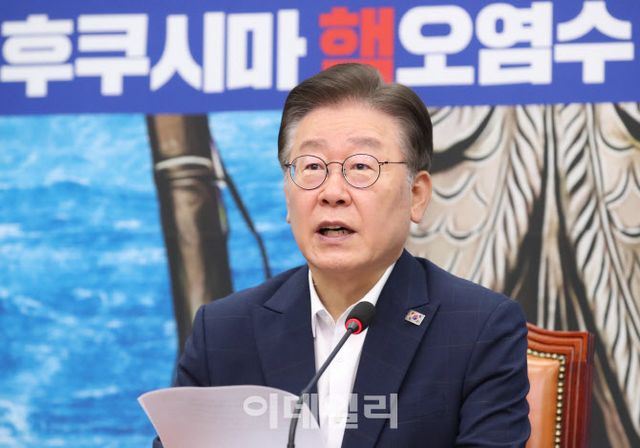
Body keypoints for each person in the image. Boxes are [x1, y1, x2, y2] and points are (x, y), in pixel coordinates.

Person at [153, 63, 530, 447]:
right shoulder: (223, 332)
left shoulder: (478, 329)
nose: (332, 192)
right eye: (312, 167)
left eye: (361, 167)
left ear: (416, 196)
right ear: (287, 195)